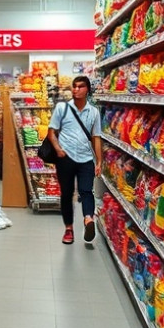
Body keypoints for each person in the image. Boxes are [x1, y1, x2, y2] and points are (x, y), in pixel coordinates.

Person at [46, 76, 103, 244]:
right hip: (66, 158)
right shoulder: (62, 108)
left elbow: (96, 137)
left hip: (86, 158)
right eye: (74, 86)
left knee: (87, 191)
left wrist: (99, 161)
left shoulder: (94, 112)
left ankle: (88, 220)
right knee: (67, 194)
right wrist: (58, 149)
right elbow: (51, 132)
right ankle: (68, 229)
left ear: (87, 90)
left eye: (80, 86)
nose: (76, 89)